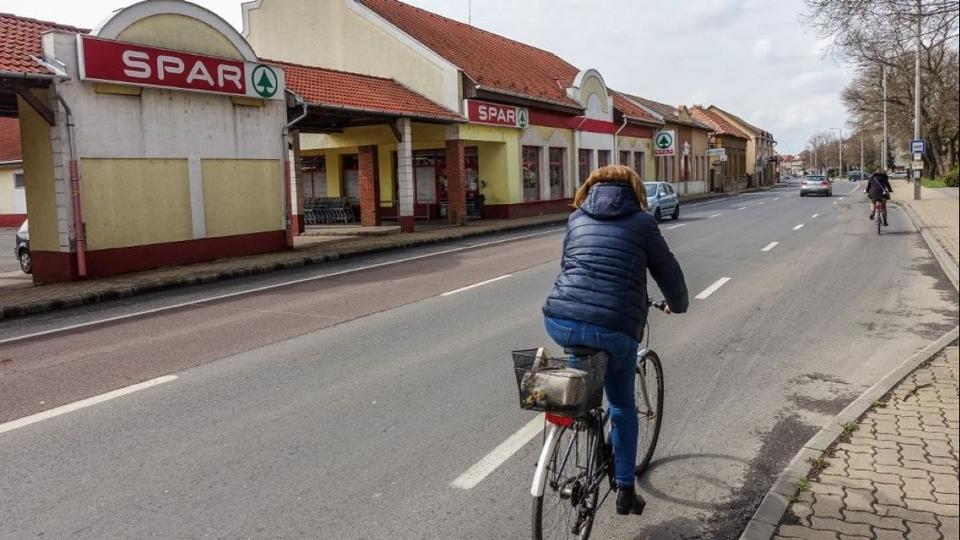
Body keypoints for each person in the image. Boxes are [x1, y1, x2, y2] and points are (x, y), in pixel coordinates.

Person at [541, 165, 689, 516]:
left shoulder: (577, 217)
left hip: (561, 318)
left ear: (590, 187)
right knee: (622, 405)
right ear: (635, 189)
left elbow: (569, 264)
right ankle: (625, 489)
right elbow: (666, 269)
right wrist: (678, 304)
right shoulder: (642, 222)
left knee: (581, 393)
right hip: (615, 325)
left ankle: (580, 419)